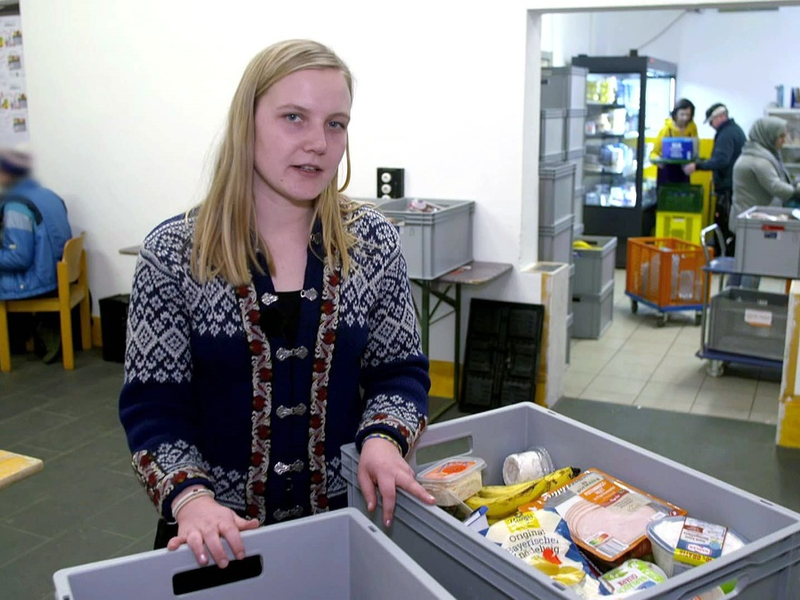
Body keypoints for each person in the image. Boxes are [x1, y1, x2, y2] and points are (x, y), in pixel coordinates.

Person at [118, 39, 436, 570]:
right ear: (248, 124)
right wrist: (191, 499)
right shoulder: (174, 254)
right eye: (294, 117)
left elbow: (399, 372)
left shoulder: (373, 244)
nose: (318, 143)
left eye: (336, 123)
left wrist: (384, 439)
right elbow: (154, 408)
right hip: (219, 540)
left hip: (345, 527)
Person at [0, 147, 72, 363]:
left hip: (37, 281)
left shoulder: (16, 206)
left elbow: (18, 257)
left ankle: (16, 340)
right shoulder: (48, 195)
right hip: (57, 275)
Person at [726, 116, 800, 288]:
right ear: (768, 136)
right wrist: (797, 190)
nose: (783, 141)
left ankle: (735, 296)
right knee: (751, 266)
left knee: (743, 264)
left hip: (750, 222)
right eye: (780, 137)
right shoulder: (758, 160)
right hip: (751, 225)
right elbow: (777, 187)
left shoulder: (761, 154)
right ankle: (744, 300)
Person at [682, 103, 746, 255]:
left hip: (727, 189)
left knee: (724, 228)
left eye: (711, 121)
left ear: (720, 117)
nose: (711, 125)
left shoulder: (726, 134)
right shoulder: (734, 130)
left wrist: (697, 166)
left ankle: (723, 259)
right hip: (733, 187)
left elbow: (721, 160)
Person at [650, 98, 698, 186]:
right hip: (667, 172)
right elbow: (654, 153)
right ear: (675, 114)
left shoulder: (692, 129)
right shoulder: (666, 130)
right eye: (682, 114)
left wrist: (693, 163)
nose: (685, 118)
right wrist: (658, 161)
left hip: (684, 172)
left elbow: (695, 151)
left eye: (688, 115)